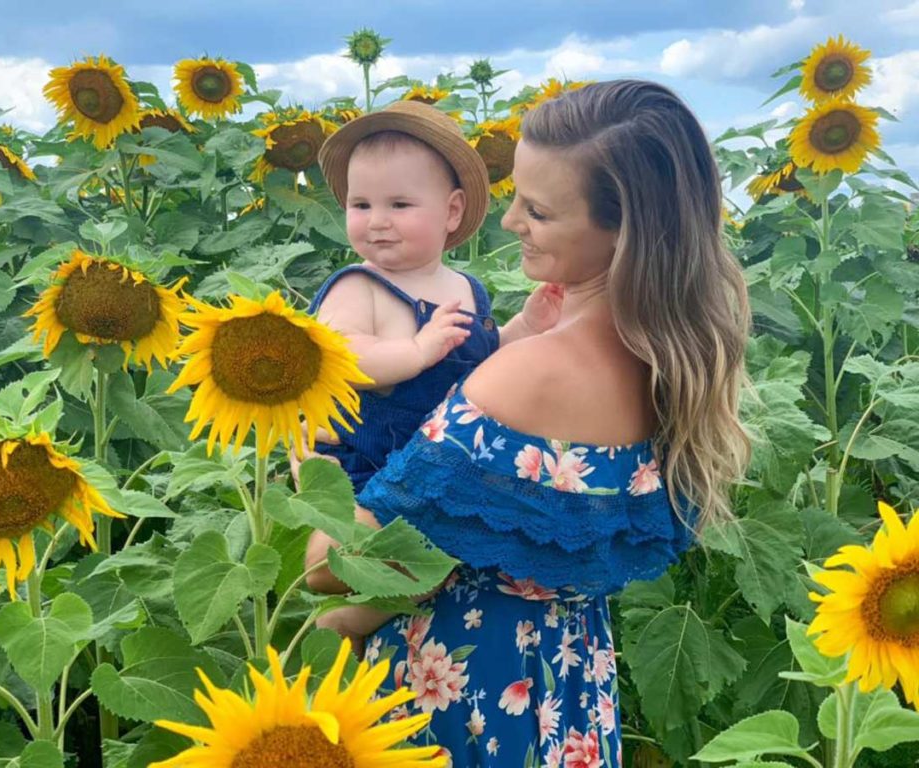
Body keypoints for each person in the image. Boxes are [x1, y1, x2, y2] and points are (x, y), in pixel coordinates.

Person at [304, 80, 750, 766]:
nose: (509, 222)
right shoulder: (668, 362)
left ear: (620, 230)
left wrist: (312, 453)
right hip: (569, 697)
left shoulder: (530, 376)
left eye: (537, 211)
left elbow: (333, 567)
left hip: (460, 705)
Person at [307, 101, 564, 654]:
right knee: (374, 569)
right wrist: (417, 349)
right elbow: (343, 357)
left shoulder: (465, 289)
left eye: (399, 204)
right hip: (375, 464)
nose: (377, 220)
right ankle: (337, 628)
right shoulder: (360, 287)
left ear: (451, 212)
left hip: (449, 467)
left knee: (443, 565)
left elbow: (484, 361)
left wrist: (526, 326)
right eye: (361, 204)